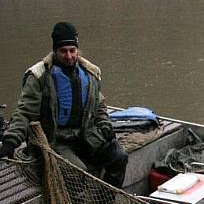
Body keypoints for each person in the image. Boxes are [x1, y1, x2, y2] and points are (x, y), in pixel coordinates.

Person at [0, 22, 128, 188]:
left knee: (119, 157)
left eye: (72, 50)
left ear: (77, 49)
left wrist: (105, 125)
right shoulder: (39, 76)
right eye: (63, 51)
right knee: (78, 172)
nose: (68, 56)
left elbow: (99, 105)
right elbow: (24, 112)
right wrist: (11, 141)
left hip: (85, 134)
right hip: (55, 139)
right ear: (55, 50)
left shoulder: (90, 73)